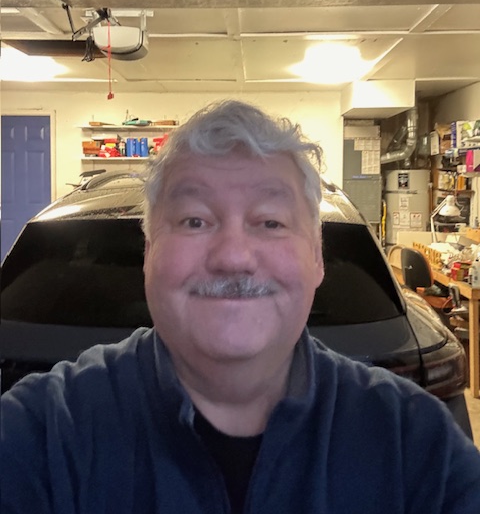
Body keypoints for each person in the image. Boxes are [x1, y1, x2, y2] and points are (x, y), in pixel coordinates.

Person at [2, 100, 480, 514]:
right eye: (194, 221)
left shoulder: (415, 444)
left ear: (317, 259)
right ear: (148, 254)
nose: (233, 257)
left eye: (270, 223)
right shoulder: (41, 434)